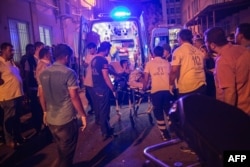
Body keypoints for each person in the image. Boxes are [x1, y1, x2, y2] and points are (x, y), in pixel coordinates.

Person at [38, 44, 87, 167]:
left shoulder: (44, 73)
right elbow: (74, 96)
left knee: (61, 150)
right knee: (67, 156)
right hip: (65, 120)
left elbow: (41, 95)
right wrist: (83, 115)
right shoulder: (69, 73)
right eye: (70, 57)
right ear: (66, 57)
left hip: (51, 118)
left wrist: (44, 112)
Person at [204, 27, 250, 115]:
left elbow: (230, 92)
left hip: (239, 112)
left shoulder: (223, 60)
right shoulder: (241, 49)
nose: (205, 44)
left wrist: (227, 115)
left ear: (212, 45)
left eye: (206, 42)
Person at [143, 46, 173, 141]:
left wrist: (144, 88)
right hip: (167, 90)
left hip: (156, 91)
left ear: (153, 54)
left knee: (158, 112)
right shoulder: (167, 63)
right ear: (162, 53)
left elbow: (146, 78)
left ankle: (165, 134)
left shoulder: (149, 64)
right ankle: (174, 129)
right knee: (168, 110)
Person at [0, 42, 24, 148]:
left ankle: (18, 137)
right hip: (8, 96)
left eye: (13, 50)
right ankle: (9, 140)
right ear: (3, 50)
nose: (12, 52)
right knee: (9, 119)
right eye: (10, 50)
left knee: (16, 118)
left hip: (18, 94)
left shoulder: (12, 62)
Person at [91, 41, 117, 140]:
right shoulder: (103, 60)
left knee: (102, 109)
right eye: (109, 50)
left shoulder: (95, 59)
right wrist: (112, 88)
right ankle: (105, 132)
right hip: (103, 88)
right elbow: (106, 77)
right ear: (106, 49)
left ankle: (107, 129)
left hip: (96, 87)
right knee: (104, 111)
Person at [170, 29, 206, 97]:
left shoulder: (178, 51)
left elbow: (174, 70)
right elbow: (203, 66)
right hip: (201, 85)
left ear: (180, 38)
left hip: (187, 88)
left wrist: (171, 84)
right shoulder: (198, 51)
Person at [22, 42, 44, 135]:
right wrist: (27, 89)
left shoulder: (43, 59)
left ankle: (45, 124)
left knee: (44, 107)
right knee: (36, 108)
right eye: (42, 48)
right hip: (33, 88)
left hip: (43, 88)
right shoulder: (29, 60)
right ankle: (37, 127)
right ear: (37, 48)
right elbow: (27, 75)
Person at [82, 42, 97, 116]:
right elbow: (85, 65)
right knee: (87, 95)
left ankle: (96, 108)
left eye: (91, 48)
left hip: (94, 78)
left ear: (95, 48)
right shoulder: (88, 56)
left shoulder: (97, 56)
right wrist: (83, 63)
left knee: (94, 95)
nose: (90, 50)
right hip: (88, 78)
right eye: (89, 49)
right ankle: (93, 107)